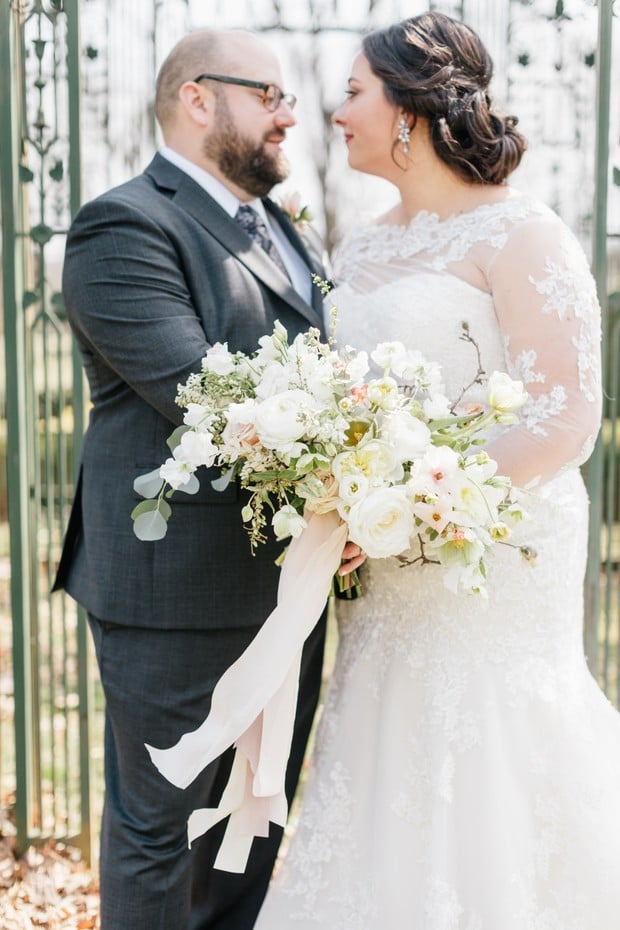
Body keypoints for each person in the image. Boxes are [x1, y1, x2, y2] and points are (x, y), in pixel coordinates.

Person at [255, 12, 620, 929]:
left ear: (410, 110)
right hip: (384, 566)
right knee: (388, 744)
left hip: (496, 552)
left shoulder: (522, 233)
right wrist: (342, 499)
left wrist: (416, 503)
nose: (334, 114)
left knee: (493, 747)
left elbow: (566, 413)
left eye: (352, 93)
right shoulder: (364, 246)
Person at [52, 28, 344, 930]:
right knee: (162, 829)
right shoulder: (125, 224)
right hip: (171, 590)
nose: (291, 114)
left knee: (250, 824)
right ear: (198, 98)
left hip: (285, 584)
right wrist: (358, 454)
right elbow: (202, 391)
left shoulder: (283, 227)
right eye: (270, 94)